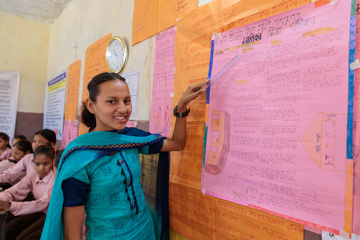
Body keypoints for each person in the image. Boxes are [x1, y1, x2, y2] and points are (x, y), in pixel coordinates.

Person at [42, 72, 208, 239]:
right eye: (112, 101)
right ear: (91, 105)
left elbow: (176, 144)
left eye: (127, 101)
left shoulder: (131, 138)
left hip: (146, 232)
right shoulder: (79, 159)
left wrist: (181, 108)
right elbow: (73, 235)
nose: (123, 109)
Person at [0, 145, 55, 240]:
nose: (41, 168)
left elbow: (44, 203)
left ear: (52, 163)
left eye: (46, 164)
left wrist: (9, 206)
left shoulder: (54, 179)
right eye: (37, 164)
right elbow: (14, 191)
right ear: (33, 163)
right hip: (39, 210)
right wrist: (2, 199)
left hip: (51, 213)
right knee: (8, 228)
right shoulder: (32, 176)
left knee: (24, 238)